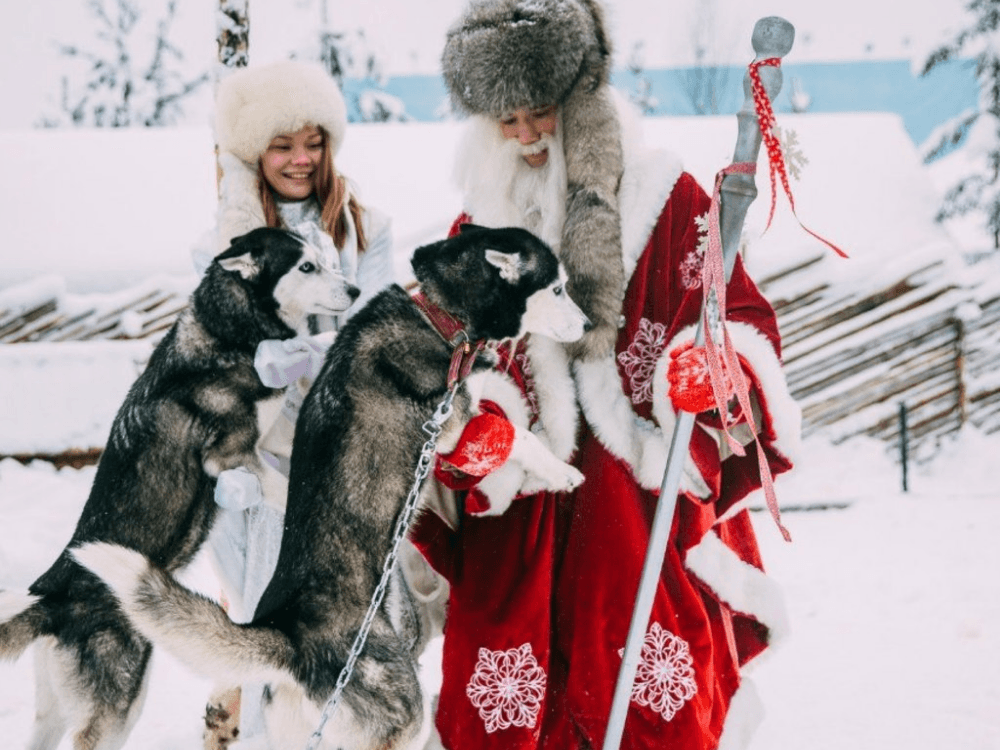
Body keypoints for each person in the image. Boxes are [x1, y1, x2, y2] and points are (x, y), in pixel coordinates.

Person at [408, 1, 802, 749]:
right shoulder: (474, 234)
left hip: (635, 511)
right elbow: (446, 373)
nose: (525, 137)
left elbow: (739, 323)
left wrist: (707, 370)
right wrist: (475, 431)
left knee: (650, 703)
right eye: (506, 120)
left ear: (582, 103)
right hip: (518, 522)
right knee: (501, 710)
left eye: (541, 112)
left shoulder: (672, 204)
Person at [193, 59, 445, 749]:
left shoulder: (365, 229)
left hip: (337, 455)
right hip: (257, 455)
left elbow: (367, 337)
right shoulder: (222, 246)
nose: (301, 158)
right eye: (282, 145)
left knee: (346, 619)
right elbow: (218, 351)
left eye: (313, 141)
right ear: (255, 153)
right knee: (257, 617)